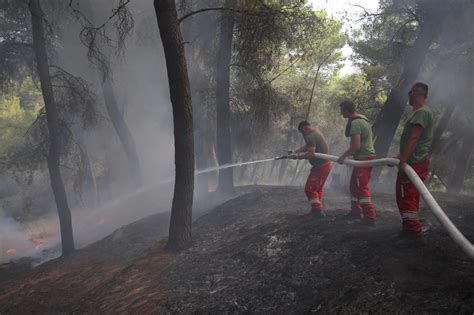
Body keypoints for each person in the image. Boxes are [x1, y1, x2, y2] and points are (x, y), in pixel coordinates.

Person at [394, 82, 434, 245]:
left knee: (406, 195)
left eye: (410, 92)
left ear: (417, 93)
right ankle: (408, 229)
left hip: (414, 162)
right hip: (414, 161)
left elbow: (414, 138)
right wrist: (400, 155)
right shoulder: (420, 113)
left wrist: (403, 159)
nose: (408, 95)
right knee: (406, 195)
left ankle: (413, 234)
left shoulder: (422, 112)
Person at [337, 101, 376, 226]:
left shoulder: (356, 122)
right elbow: (351, 137)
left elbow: (355, 146)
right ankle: (355, 211)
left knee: (361, 187)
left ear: (347, 111)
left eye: (342, 110)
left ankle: (369, 218)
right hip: (363, 158)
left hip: (364, 159)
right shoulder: (361, 120)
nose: (341, 113)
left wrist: (343, 157)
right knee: (354, 185)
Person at [288, 121, 332, 218]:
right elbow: (308, 147)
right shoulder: (315, 132)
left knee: (310, 189)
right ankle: (316, 210)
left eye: (301, 132)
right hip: (325, 165)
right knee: (317, 189)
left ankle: (318, 210)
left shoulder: (310, 136)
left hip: (321, 167)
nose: (302, 134)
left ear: (304, 129)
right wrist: (295, 151)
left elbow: (311, 154)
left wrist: (297, 156)